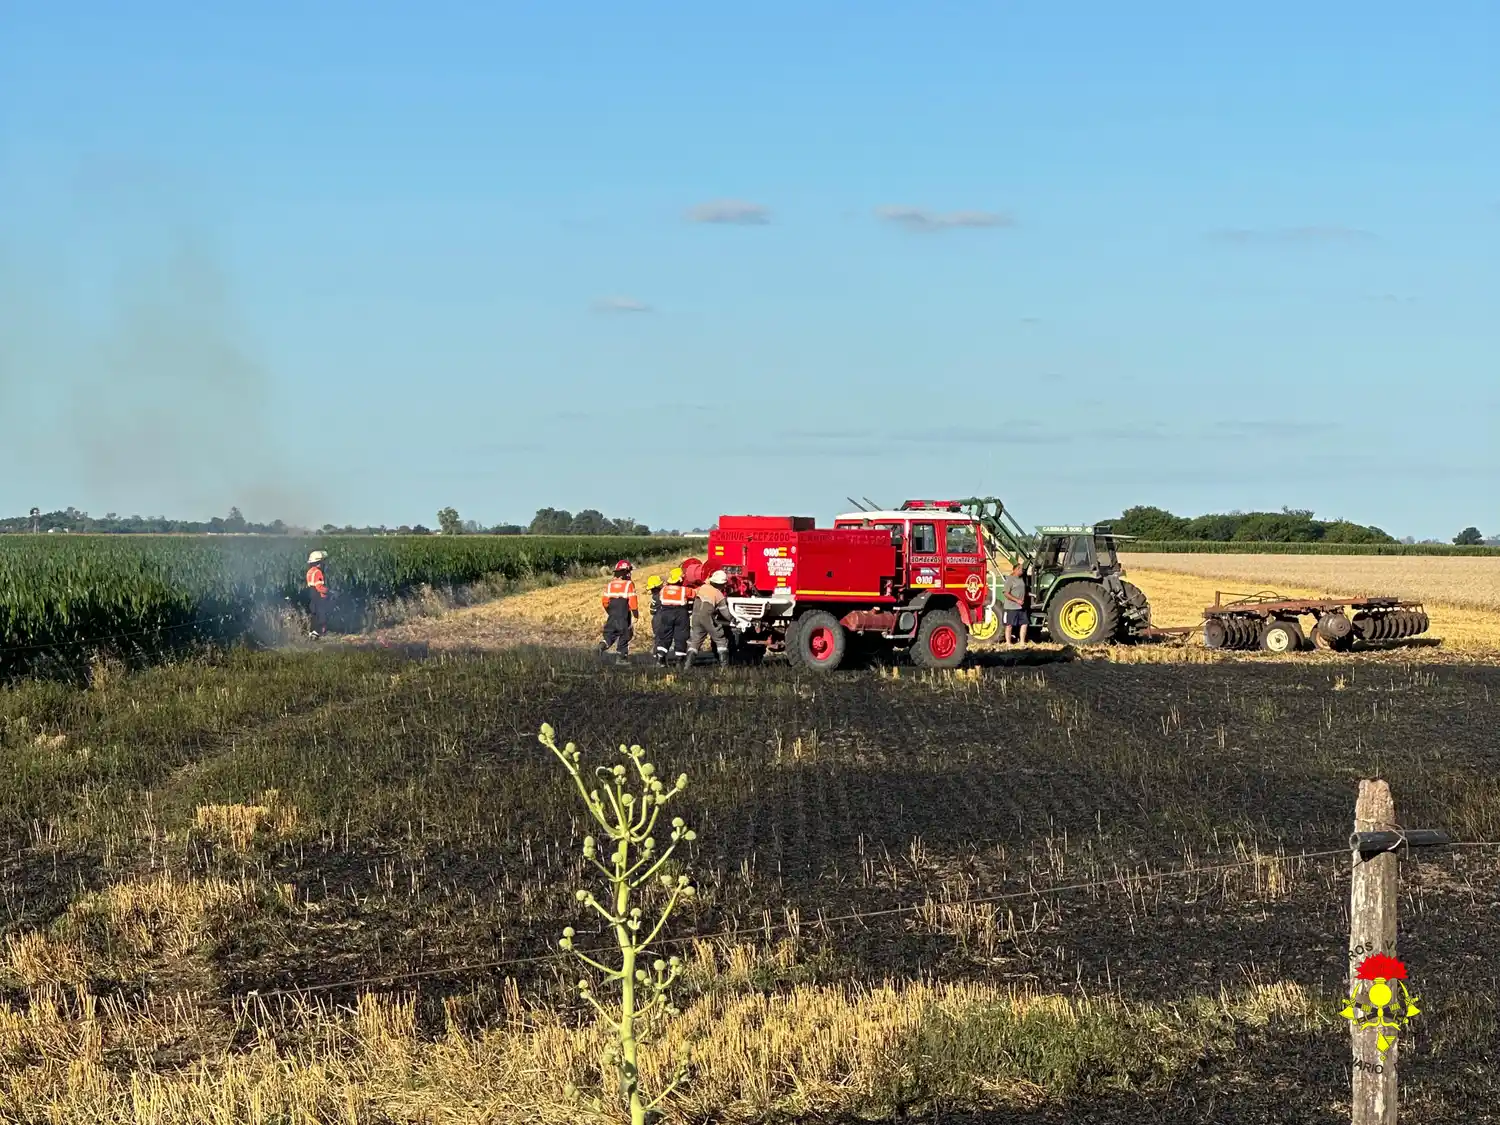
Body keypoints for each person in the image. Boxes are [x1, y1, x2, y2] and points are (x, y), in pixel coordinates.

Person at [687, 569, 731, 667]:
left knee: (695, 641)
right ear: (721, 584)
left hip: (695, 618)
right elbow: (725, 612)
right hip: (707, 619)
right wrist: (732, 619)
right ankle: (724, 667)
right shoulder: (718, 594)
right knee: (720, 640)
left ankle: (687, 667)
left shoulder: (702, 587)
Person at [599, 560, 639, 660]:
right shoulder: (629, 584)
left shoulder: (610, 585)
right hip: (624, 615)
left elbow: (605, 602)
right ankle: (621, 658)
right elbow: (633, 602)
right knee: (624, 635)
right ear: (626, 572)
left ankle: (602, 646)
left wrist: (610, 613)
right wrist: (636, 614)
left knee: (609, 634)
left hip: (612, 615)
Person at [658, 567, 694, 666]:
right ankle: (679, 660)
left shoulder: (663, 590)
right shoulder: (685, 590)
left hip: (666, 614)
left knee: (665, 636)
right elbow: (695, 593)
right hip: (680, 614)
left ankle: (660, 658)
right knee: (681, 636)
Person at [306, 550, 331, 638]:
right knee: (321, 615)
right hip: (319, 596)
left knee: (314, 614)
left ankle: (312, 632)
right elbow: (319, 587)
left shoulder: (309, 572)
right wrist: (329, 592)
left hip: (311, 595)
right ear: (319, 563)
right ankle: (319, 633)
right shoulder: (318, 572)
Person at [1002, 563, 1028, 645]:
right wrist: (1017, 600)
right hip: (1011, 607)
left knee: (1024, 623)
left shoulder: (1020, 579)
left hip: (1021, 607)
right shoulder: (1010, 579)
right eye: (1021, 569)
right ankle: (1008, 643)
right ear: (1016, 569)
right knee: (1009, 625)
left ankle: (1022, 642)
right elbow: (1006, 593)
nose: (1022, 571)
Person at [645, 575, 667, 664]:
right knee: (664, 638)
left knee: (658, 638)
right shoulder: (663, 594)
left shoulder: (654, 597)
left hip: (655, 620)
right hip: (663, 619)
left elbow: (652, 611)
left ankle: (656, 655)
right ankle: (661, 658)